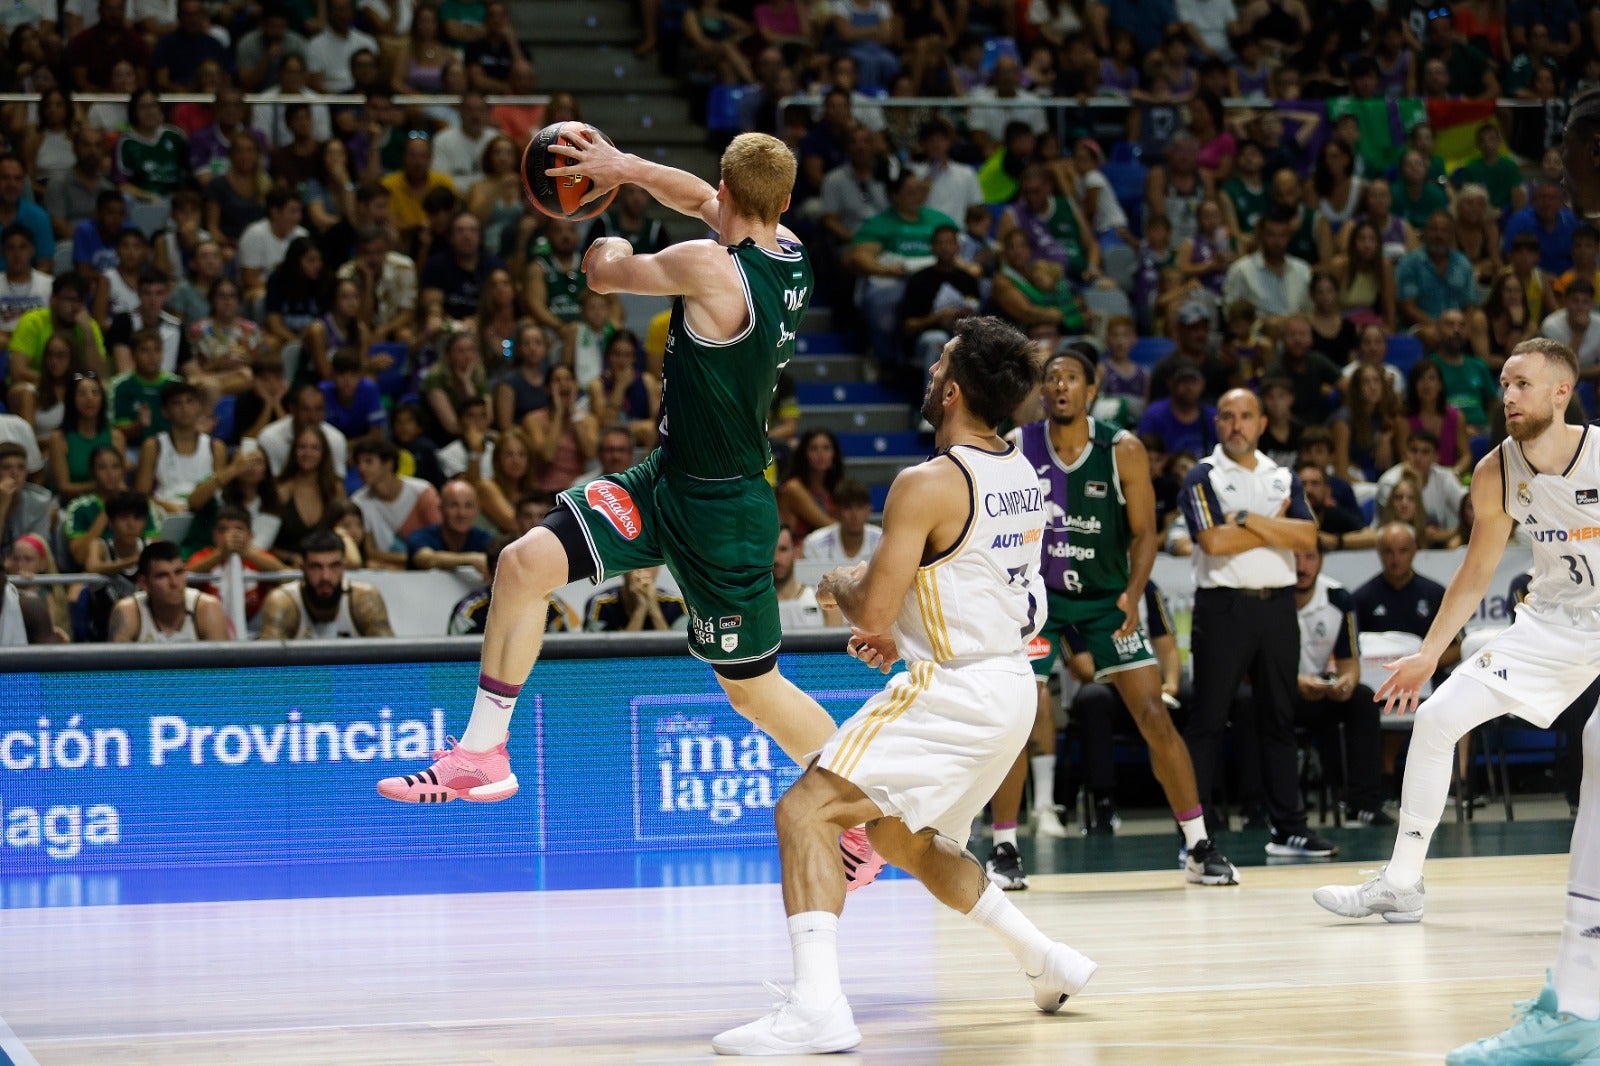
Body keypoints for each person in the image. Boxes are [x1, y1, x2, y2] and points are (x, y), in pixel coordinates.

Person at [376, 131, 893, 880]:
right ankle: (481, 754)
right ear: (780, 202)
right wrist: (622, 169)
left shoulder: (705, 266)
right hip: (665, 481)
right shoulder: (791, 250)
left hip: (726, 513)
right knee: (523, 564)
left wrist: (600, 220)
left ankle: (862, 818)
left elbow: (603, 274)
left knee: (752, 693)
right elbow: (696, 197)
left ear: (729, 186)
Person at [710, 317, 1096, 1055]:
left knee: (805, 812)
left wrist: (842, 586)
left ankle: (817, 1007)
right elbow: (965, 573)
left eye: (939, 363)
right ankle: (1045, 959)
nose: (927, 374)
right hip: (1011, 685)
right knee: (903, 839)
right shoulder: (1022, 469)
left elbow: (875, 607)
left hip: (955, 686)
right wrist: (896, 613)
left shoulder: (926, 483)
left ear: (951, 390)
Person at [1311, 338, 1600, 1063]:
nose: (1508, 395)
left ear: (1562, 393)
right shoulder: (1494, 468)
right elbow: (1476, 570)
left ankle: (1582, 979)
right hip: (1549, 628)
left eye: (1524, 384)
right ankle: (1401, 885)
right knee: (1437, 717)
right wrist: (1430, 652)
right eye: (1504, 382)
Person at [988, 346, 1239, 891]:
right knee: (1018, 721)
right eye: (1051, 378)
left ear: (1091, 391)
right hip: (1041, 603)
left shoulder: (1122, 448)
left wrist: (1132, 591)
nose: (1059, 386)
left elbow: (1146, 532)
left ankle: (1198, 844)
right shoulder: (1016, 447)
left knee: (1154, 713)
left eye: (1071, 378)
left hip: (1107, 601)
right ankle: (1004, 847)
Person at [1179, 388, 1335, 855]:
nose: (1236, 425)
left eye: (1246, 416)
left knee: (1279, 720)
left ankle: (1288, 828)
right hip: (1223, 606)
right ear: (1217, 424)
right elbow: (1212, 542)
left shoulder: (1283, 476)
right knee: (1208, 721)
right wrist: (1274, 528)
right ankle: (1195, 836)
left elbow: (1307, 535)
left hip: (1277, 607)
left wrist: (1245, 519)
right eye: (1227, 416)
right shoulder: (1201, 475)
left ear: (1263, 423)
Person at [258, 529, 395, 638]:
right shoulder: (284, 602)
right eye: (316, 567)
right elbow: (266, 669)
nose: (325, 576)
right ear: (302, 567)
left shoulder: (363, 599)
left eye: (334, 566)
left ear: (343, 566)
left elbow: (392, 663)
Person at [107, 540, 229, 643]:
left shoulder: (208, 608)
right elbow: (115, 669)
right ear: (144, 583)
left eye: (179, 572)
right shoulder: (128, 611)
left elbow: (223, 669)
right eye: (162, 576)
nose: (174, 583)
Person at [134, 380, 224, 514]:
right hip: (164, 513)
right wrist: (165, 506)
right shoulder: (153, 445)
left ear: (199, 406)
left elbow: (219, 492)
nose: (184, 408)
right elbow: (141, 496)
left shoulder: (216, 447)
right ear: (165, 411)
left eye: (190, 401)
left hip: (204, 515)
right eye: (176, 403)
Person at [407, 477, 491, 573]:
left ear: (477, 510)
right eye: (454, 505)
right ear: (441, 508)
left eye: (468, 506)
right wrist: (471, 559)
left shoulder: (484, 539)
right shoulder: (421, 536)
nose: (462, 513)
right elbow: (426, 559)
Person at [801, 479, 880, 564]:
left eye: (860, 507)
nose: (854, 515)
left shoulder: (883, 541)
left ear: (869, 510)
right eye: (847, 507)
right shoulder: (814, 544)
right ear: (836, 511)